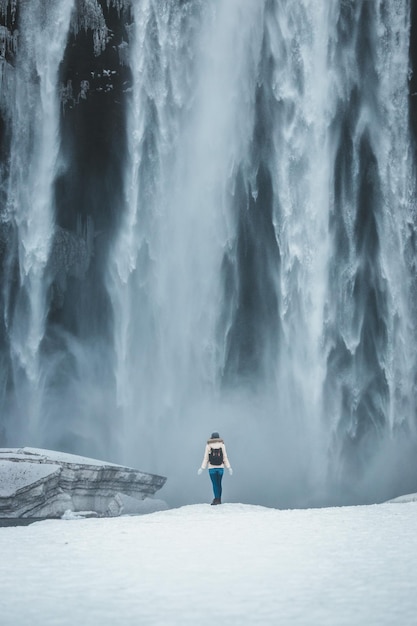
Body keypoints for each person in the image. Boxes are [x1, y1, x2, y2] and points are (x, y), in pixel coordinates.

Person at [197, 432, 233, 505]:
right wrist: (229, 467)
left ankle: (216, 499)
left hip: (211, 468)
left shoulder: (208, 446)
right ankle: (218, 499)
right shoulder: (222, 445)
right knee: (219, 483)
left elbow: (206, 458)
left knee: (214, 484)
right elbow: (225, 457)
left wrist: (202, 468)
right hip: (221, 468)